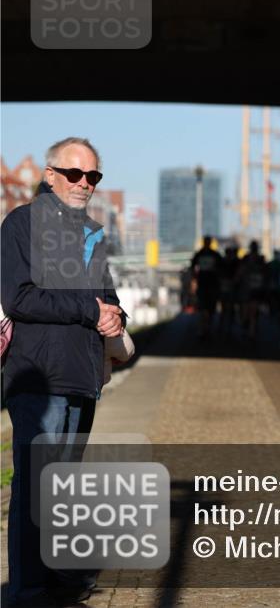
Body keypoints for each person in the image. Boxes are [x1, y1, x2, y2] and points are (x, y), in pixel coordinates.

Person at [1, 137, 125, 606]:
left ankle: (63, 578)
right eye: (74, 174)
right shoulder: (22, 223)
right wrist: (90, 310)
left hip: (83, 375)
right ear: (50, 175)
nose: (84, 183)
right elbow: (20, 298)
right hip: (39, 376)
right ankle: (28, 591)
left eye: (93, 176)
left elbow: (106, 295)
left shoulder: (92, 232)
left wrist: (115, 315)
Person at [190, 235, 223, 338]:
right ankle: (203, 328)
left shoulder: (215, 255)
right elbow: (192, 268)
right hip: (203, 284)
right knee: (203, 307)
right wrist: (194, 280)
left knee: (210, 308)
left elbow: (221, 268)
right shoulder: (199, 254)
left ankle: (207, 327)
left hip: (212, 285)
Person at [238, 240, 268, 339]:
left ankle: (251, 332)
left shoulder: (260, 259)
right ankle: (248, 327)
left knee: (253, 313)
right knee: (247, 312)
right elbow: (240, 271)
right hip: (247, 288)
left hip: (255, 289)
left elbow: (265, 274)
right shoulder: (246, 258)